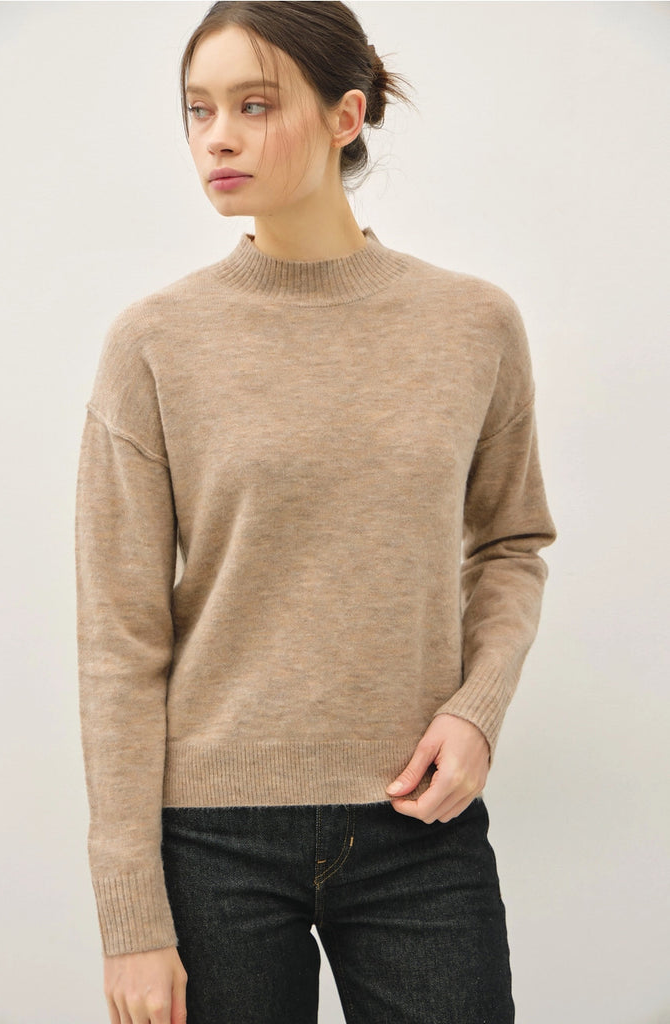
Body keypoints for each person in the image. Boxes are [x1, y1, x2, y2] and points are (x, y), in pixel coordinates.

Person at [74, 3, 557, 1022]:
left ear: (346, 116)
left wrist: (475, 712)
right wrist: (132, 918)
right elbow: (119, 638)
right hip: (211, 842)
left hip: (417, 827)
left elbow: (511, 542)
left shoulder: (471, 324)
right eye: (198, 109)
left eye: (254, 105)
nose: (218, 137)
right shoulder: (154, 343)